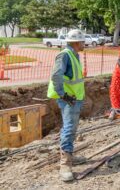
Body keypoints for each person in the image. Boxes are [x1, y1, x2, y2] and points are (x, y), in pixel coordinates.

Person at [47, 29, 86, 182]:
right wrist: (63, 94)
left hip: (74, 98)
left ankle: (69, 155)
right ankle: (65, 165)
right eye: (83, 41)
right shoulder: (65, 55)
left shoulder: (74, 55)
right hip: (68, 99)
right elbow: (56, 75)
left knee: (70, 127)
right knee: (69, 129)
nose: (84, 44)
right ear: (77, 42)